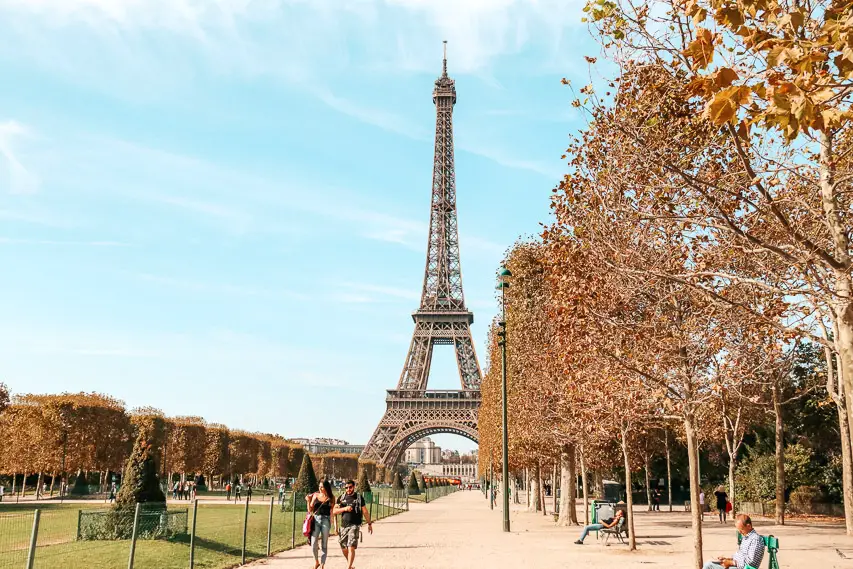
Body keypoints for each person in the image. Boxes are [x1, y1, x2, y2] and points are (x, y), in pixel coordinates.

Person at [333, 478, 373, 569]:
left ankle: (348, 566)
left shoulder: (359, 498)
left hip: (354, 525)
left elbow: (365, 511)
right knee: (343, 548)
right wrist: (345, 509)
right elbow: (334, 511)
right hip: (344, 526)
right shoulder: (341, 498)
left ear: (354, 487)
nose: (348, 489)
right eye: (346, 487)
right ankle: (350, 565)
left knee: (351, 546)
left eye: (350, 487)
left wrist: (369, 524)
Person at [307, 479, 335, 569]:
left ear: (326, 487)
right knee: (314, 542)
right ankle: (316, 562)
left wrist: (335, 524)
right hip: (316, 520)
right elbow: (310, 510)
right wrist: (308, 501)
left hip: (326, 520)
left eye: (322, 487)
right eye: (319, 486)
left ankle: (322, 564)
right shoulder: (315, 495)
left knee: (324, 543)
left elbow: (332, 511)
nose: (320, 488)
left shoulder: (331, 497)